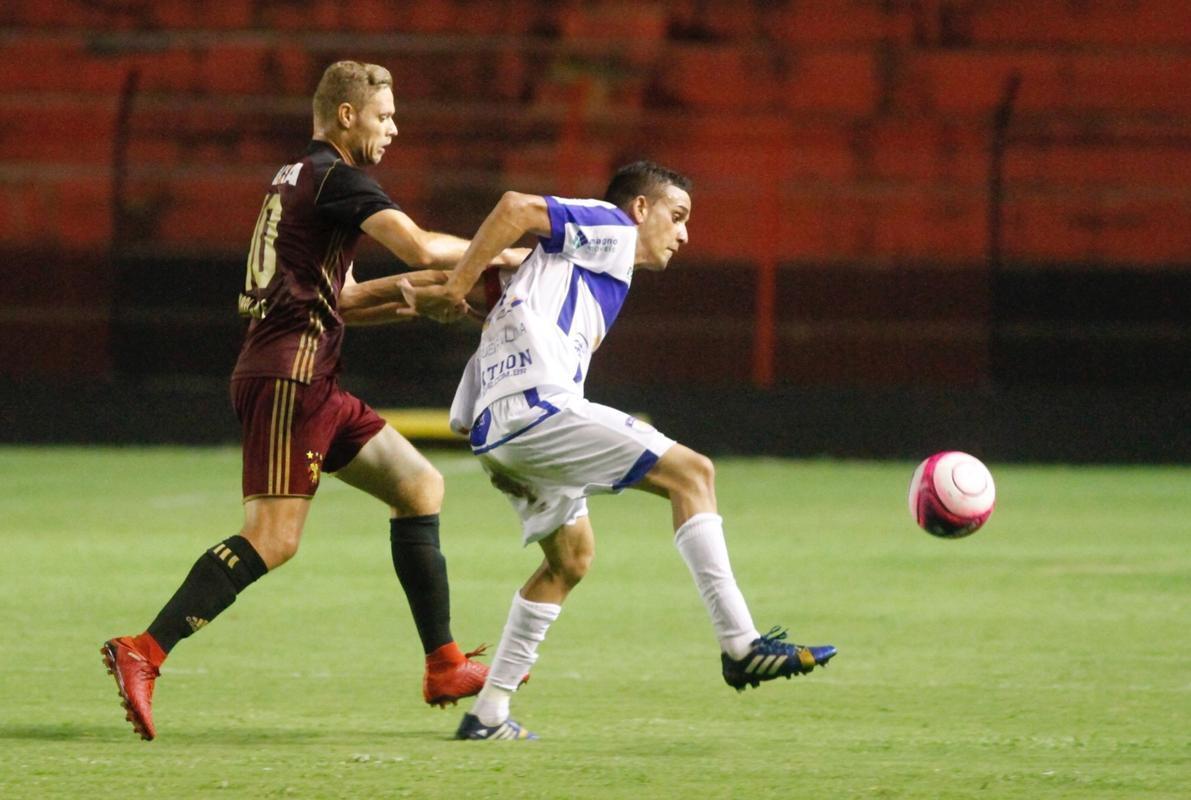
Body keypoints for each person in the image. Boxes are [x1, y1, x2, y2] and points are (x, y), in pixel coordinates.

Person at [100, 60, 526, 741]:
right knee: (274, 538)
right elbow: (415, 242)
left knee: (418, 485)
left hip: (312, 376)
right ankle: (143, 651)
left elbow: (347, 298)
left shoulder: (298, 180)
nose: (394, 127)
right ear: (347, 115)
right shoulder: (338, 177)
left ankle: (444, 665)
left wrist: (424, 296)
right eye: (384, 116)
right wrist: (497, 256)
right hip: (288, 377)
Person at [401, 161, 838, 741]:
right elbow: (514, 207)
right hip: (536, 410)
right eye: (676, 216)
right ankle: (741, 644)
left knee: (570, 560)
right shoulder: (611, 227)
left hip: (495, 431)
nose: (683, 234)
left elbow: (484, 287)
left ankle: (488, 715)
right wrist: (456, 288)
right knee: (693, 474)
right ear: (640, 208)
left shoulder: (571, 269)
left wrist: (376, 297)